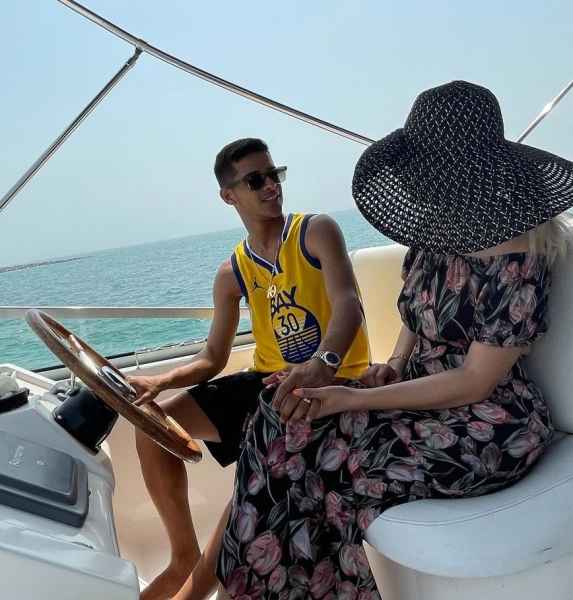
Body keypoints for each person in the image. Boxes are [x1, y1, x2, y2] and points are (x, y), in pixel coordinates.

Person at [203, 81, 573, 599]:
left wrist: (354, 397)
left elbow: (474, 381)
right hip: (419, 397)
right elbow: (416, 318)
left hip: (487, 424)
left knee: (328, 462)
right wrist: (395, 364)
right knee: (275, 415)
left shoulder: (518, 252)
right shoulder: (440, 230)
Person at [127, 137, 370, 600]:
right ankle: (183, 557)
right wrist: (160, 381)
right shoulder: (232, 272)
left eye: (274, 175)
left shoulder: (315, 231)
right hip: (267, 382)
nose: (271, 186)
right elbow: (212, 358)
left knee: (257, 458)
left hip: (334, 380)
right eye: (256, 180)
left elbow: (348, 305)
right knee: (151, 428)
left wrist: (323, 364)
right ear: (229, 195)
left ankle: (197, 589)